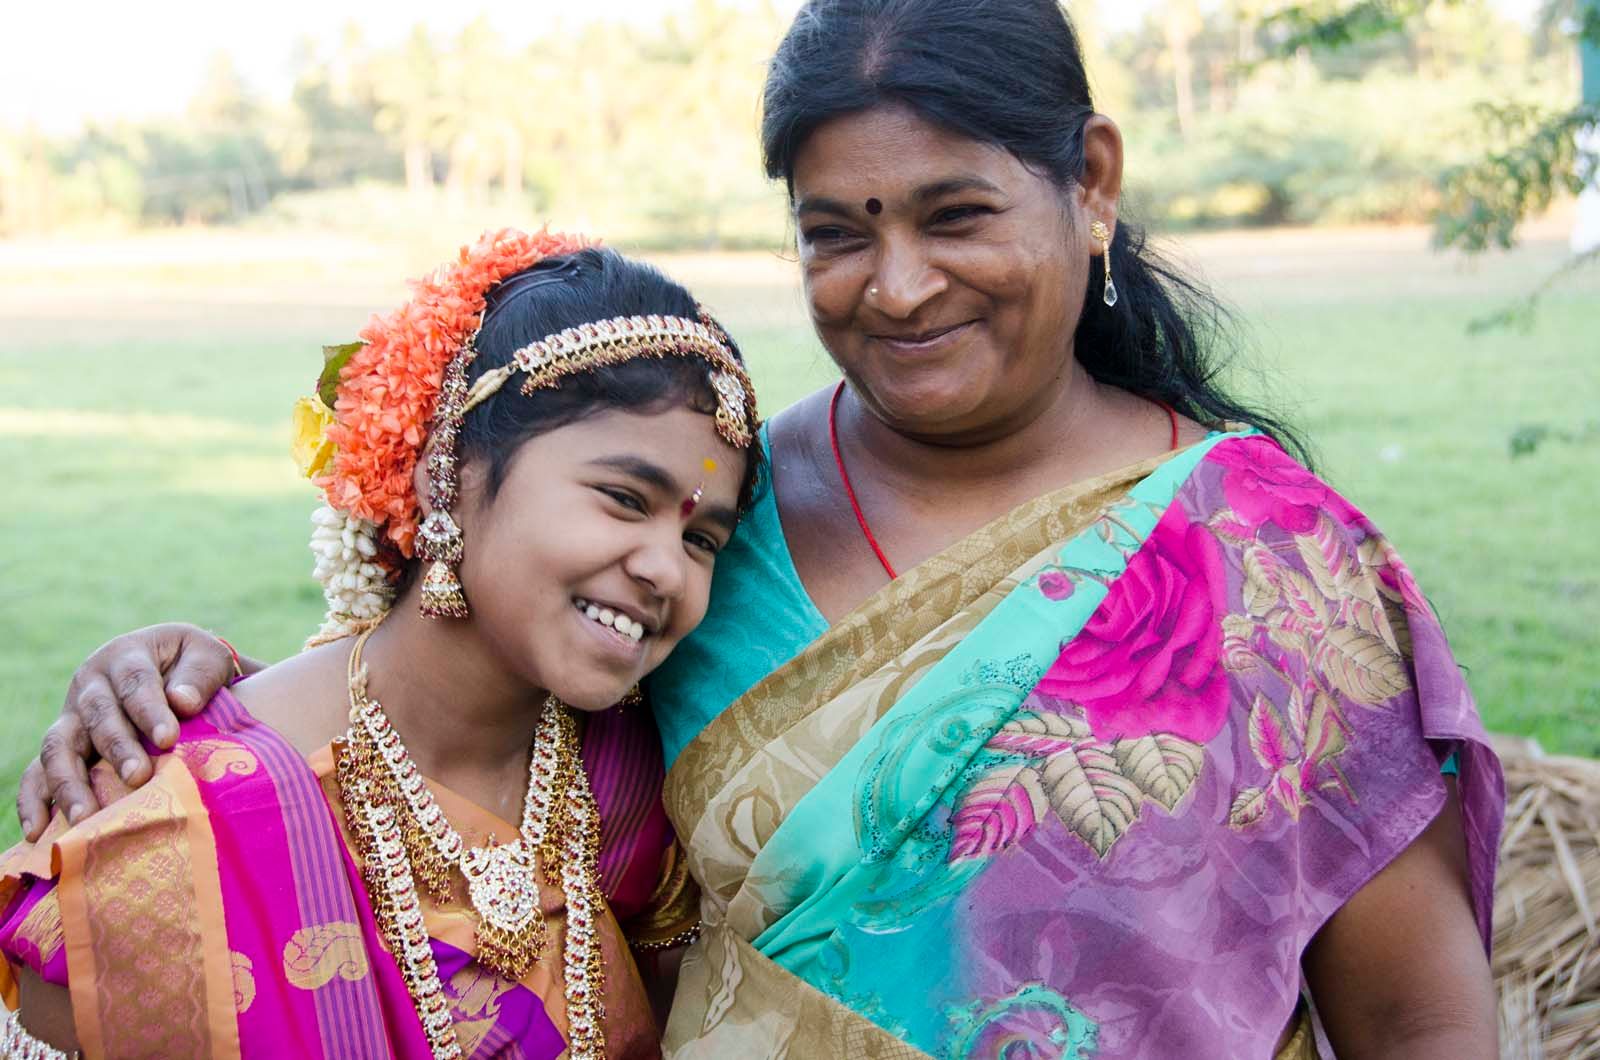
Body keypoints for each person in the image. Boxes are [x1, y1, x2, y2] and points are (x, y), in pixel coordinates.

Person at [17, 2, 1504, 1057]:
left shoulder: (1275, 565)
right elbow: (429, 728)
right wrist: (160, 678)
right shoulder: (719, 519)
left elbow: (1420, 1019)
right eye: (836, 231)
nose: (899, 285)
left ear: (1092, 182)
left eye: (956, 213)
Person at [0, 230, 763, 1059]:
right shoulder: (164, 826)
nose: (665, 572)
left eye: (704, 541)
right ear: (448, 472)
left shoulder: (628, 789)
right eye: (621, 497)